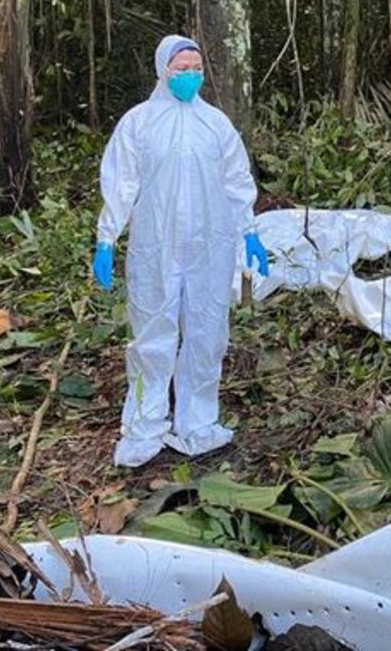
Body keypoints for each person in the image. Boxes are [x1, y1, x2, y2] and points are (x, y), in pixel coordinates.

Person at [91, 35, 271, 469]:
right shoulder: (139, 124)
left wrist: (249, 232)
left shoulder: (216, 124)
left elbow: (236, 181)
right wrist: (106, 238)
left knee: (207, 333)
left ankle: (198, 422)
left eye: (195, 67)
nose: (190, 74)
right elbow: (121, 183)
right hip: (156, 247)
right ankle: (144, 424)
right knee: (153, 334)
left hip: (212, 246)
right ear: (162, 69)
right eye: (181, 67)